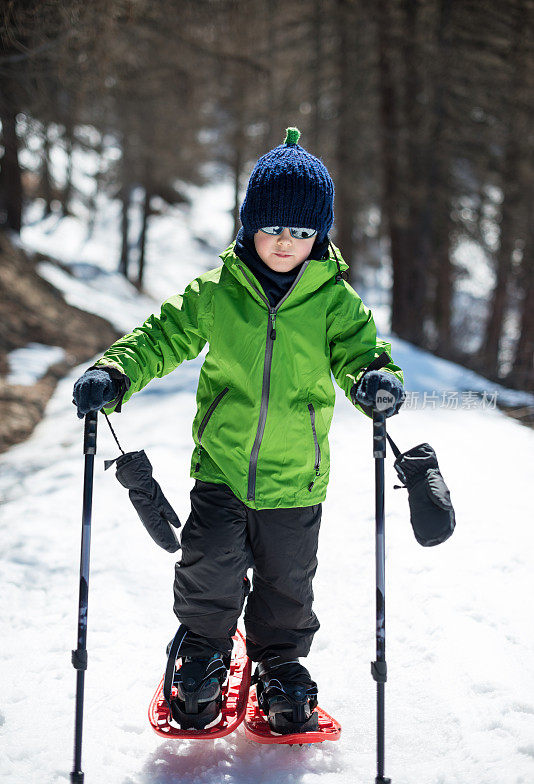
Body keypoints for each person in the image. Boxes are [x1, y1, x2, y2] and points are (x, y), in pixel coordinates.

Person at [73, 127, 405, 734]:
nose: (286, 243)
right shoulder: (219, 292)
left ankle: (280, 663)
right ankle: (201, 650)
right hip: (222, 469)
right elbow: (162, 336)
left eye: (302, 232)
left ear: (320, 236)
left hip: (297, 478)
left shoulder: (334, 302)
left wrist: (373, 382)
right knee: (209, 570)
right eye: (274, 228)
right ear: (250, 224)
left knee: (286, 586)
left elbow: (363, 353)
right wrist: (115, 371)